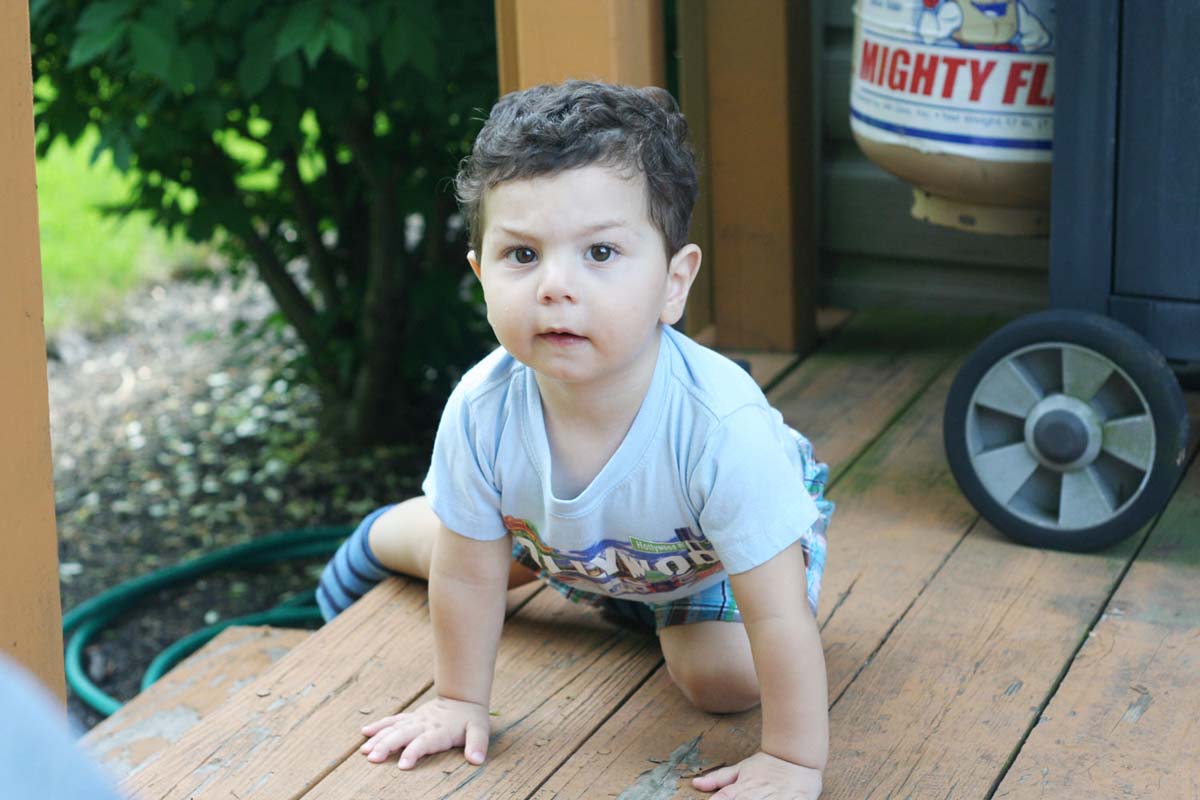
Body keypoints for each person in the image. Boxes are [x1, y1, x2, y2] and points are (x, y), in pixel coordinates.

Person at [316, 80, 835, 799]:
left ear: (673, 282)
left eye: (600, 251)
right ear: (480, 276)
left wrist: (794, 761)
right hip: (556, 540)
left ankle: (629, 599)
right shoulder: (481, 408)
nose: (555, 286)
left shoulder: (722, 430)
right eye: (522, 255)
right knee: (457, 553)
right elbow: (466, 577)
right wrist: (459, 699)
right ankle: (383, 536)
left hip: (706, 563)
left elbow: (775, 610)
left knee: (723, 679)